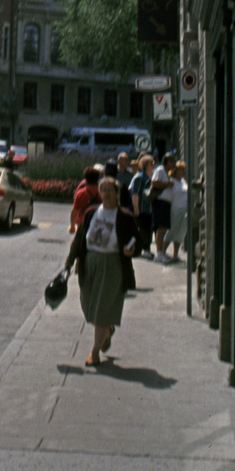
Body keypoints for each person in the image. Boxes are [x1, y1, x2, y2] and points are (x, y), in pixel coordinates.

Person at [66, 175, 140, 367]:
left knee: (100, 310)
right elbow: (80, 238)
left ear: (117, 194)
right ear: (99, 193)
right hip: (89, 264)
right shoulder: (92, 212)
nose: (106, 193)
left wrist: (131, 249)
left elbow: (139, 241)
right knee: (88, 306)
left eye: (110, 190)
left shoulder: (124, 217)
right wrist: (70, 260)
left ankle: (95, 352)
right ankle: (107, 330)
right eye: (103, 190)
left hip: (112, 266)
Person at [150, 153, 176, 262]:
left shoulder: (167, 172)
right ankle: (158, 253)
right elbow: (154, 182)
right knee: (161, 229)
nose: (174, 164)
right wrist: (167, 185)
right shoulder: (160, 170)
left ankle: (160, 252)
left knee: (164, 228)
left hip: (165, 203)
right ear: (168, 162)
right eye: (173, 161)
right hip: (160, 202)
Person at [130, 154, 155, 257]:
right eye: (151, 163)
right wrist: (136, 208)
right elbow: (135, 194)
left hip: (150, 209)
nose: (153, 165)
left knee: (148, 230)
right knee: (143, 230)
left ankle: (147, 249)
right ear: (146, 165)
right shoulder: (139, 178)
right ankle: (142, 249)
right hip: (142, 208)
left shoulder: (152, 178)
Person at [164, 159, 189, 260]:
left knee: (181, 232)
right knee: (172, 230)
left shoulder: (183, 181)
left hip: (184, 209)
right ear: (175, 171)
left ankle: (175, 254)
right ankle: (162, 251)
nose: (181, 172)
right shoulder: (171, 181)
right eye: (179, 170)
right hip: (175, 208)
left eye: (182, 170)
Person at [69, 166, 102, 234]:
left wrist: (72, 226)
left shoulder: (81, 193)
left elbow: (75, 211)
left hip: (82, 224)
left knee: (78, 244)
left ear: (85, 179)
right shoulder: (102, 192)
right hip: (98, 223)